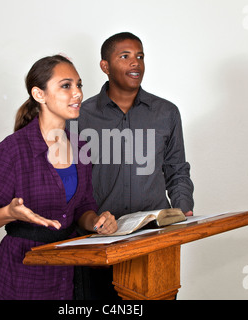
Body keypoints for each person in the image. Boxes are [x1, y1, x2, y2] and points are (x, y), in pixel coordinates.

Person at [0, 55, 117, 300]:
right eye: (66, 86)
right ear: (39, 94)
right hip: (23, 275)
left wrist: (97, 221)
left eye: (79, 85)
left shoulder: (81, 147)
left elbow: (83, 208)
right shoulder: (12, 151)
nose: (77, 93)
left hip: (71, 270)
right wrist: (9, 213)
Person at [70, 32, 194, 299]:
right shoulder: (80, 116)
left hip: (155, 238)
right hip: (100, 241)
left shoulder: (167, 112)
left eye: (139, 56)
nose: (135, 63)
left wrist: (183, 208)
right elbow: (71, 180)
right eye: (124, 56)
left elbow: (176, 168)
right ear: (105, 66)